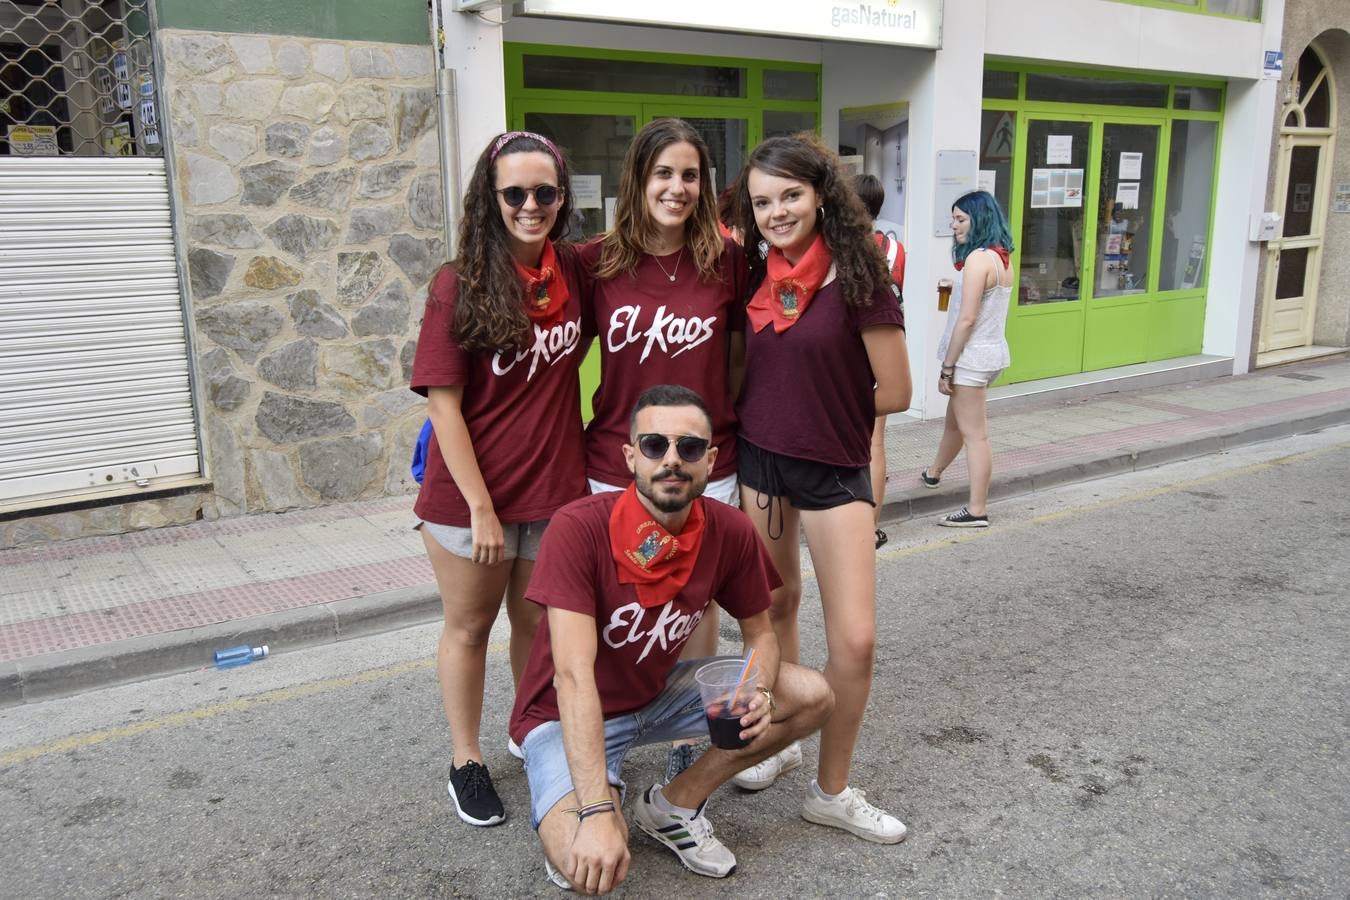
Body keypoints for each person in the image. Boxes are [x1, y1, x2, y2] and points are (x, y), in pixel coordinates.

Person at [509, 384, 833, 894]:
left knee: (812, 695)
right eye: (655, 445)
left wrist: (760, 694)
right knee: (589, 864)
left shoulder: (729, 529)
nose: (672, 460)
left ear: (710, 460)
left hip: (655, 697)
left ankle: (672, 806)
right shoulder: (578, 528)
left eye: (688, 448)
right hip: (561, 713)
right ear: (630, 456)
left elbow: (761, 635)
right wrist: (594, 812)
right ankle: (599, 802)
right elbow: (571, 676)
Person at [730, 134, 912, 843]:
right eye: (763, 201)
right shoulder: (752, 270)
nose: (777, 212)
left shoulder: (860, 274)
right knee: (775, 609)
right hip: (760, 468)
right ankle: (788, 736)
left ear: (820, 194)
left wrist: (819, 412)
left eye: (791, 196)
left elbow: (894, 389)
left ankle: (832, 791)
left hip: (835, 469)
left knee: (857, 641)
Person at [411, 130, 589, 828]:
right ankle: (465, 761)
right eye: (514, 192)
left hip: (553, 491)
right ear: (491, 199)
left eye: (544, 192)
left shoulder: (573, 272)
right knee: (470, 627)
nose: (530, 205)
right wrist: (483, 509)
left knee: (538, 626)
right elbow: (443, 406)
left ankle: (530, 730)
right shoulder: (459, 283)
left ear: (562, 197)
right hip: (469, 503)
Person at [579, 118, 747, 783]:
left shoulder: (726, 260)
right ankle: (609, 742)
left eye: (689, 175)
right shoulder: (600, 262)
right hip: (615, 464)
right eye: (663, 174)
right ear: (638, 181)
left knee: (695, 605)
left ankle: (688, 741)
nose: (676, 188)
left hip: (706, 466)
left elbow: (736, 361)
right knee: (613, 609)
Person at [921, 190, 1014, 528]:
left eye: (960, 219)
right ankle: (933, 473)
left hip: (971, 359)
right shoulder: (1000, 258)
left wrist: (948, 366)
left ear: (979, 218)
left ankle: (977, 509)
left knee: (976, 435)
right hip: (989, 354)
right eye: (954, 218)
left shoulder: (977, 260)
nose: (954, 225)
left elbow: (967, 319)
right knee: (955, 423)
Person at [853, 173, 906, 549]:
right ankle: (869, 527)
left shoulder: (838, 247)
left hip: (848, 354)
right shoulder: (892, 248)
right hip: (885, 349)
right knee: (875, 445)